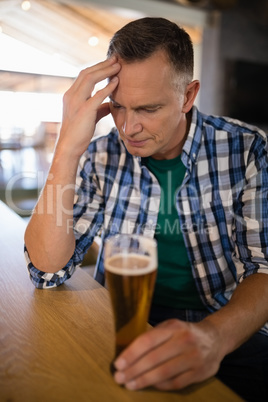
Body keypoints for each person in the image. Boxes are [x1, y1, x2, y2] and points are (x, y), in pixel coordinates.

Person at [24, 17, 268, 401]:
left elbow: (264, 269)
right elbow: (48, 270)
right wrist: (68, 148)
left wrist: (213, 338)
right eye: (118, 107)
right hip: (116, 322)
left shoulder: (245, 148)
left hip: (221, 325)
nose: (128, 128)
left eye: (148, 109)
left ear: (188, 96)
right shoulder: (103, 153)